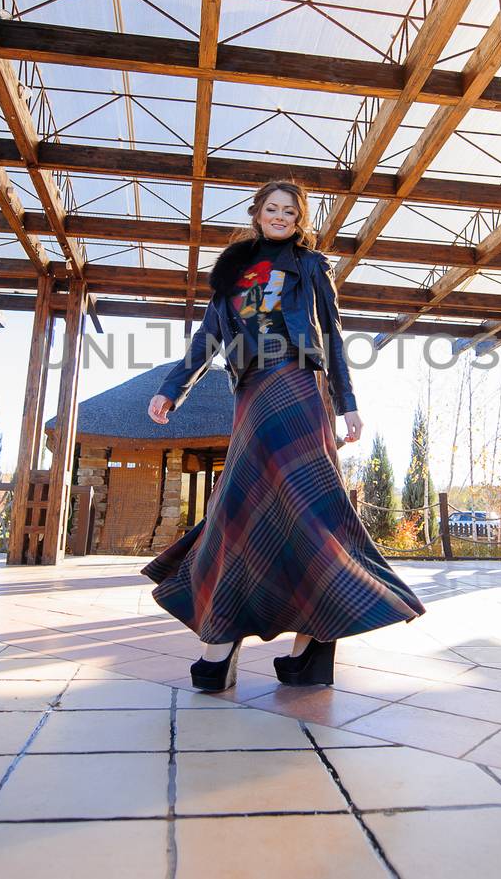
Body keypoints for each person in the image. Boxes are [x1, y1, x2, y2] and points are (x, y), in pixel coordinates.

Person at [143, 180, 426, 692]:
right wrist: (172, 389)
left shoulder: (312, 266)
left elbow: (332, 336)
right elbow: (207, 336)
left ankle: (305, 640)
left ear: (299, 220)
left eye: (289, 211)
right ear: (256, 214)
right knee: (240, 506)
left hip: (298, 384)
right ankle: (228, 632)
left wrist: (348, 405)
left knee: (308, 507)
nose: (279, 216)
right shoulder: (231, 267)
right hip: (251, 390)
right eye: (271, 209)